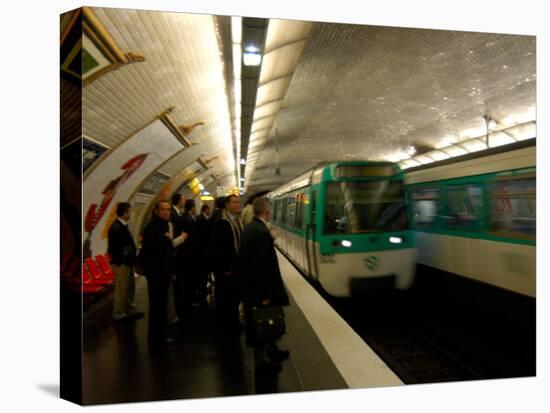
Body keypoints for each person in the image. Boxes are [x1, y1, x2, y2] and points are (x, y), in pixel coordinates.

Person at [238, 197, 290, 374]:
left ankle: (271, 351)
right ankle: (263, 362)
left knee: (262, 322)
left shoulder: (251, 228)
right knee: (263, 322)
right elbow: (262, 267)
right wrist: (265, 294)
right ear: (267, 213)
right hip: (260, 289)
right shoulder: (260, 232)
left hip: (253, 287)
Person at [140, 200, 186, 345]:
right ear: (157, 211)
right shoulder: (153, 227)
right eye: (163, 210)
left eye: (168, 209)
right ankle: (156, 336)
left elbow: (167, 250)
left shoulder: (163, 225)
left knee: (161, 304)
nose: (167, 212)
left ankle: (159, 333)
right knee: (157, 305)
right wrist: (166, 240)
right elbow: (155, 250)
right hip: (156, 273)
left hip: (163, 272)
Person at [211, 194, 244, 331]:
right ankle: (225, 324)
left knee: (234, 296)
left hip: (235, 266)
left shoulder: (237, 220)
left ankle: (233, 320)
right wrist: (226, 267)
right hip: (225, 268)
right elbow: (219, 247)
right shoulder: (221, 221)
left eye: (238, 202)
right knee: (225, 296)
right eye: (234, 202)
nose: (237, 205)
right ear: (227, 205)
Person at [107, 202, 144, 322]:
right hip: (122, 263)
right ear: (124, 213)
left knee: (129, 287)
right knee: (121, 289)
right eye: (130, 211)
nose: (132, 213)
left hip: (128, 262)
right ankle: (119, 313)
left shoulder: (122, 226)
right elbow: (114, 248)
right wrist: (121, 261)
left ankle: (130, 309)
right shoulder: (116, 228)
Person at [180, 199, 199, 307]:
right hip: (190, 254)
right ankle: (189, 299)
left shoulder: (183, 218)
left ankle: (187, 298)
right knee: (189, 278)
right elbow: (192, 238)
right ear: (192, 207)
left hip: (184, 253)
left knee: (186, 278)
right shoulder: (189, 220)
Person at [195, 204, 212, 302]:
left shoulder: (200, 218)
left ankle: (203, 289)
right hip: (202, 251)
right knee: (202, 273)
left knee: (203, 273)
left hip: (202, 251)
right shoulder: (202, 220)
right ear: (206, 210)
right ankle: (202, 292)